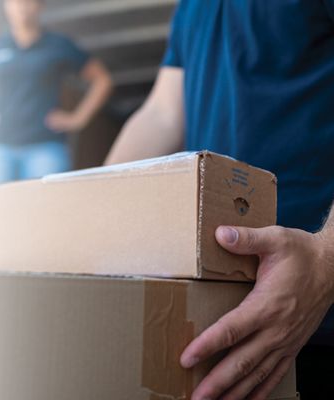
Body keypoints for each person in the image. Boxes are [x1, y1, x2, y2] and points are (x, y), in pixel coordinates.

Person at [105, 1, 334, 398]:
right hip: (220, 300)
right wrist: (87, 206)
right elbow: (162, 113)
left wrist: (323, 263)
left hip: (312, 309)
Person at [0, 0, 112, 186]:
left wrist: (78, 119)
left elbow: (101, 79)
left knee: (47, 202)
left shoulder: (58, 44)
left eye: (28, 2)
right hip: (0, 148)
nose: (21, 7)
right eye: (15, 2)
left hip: (45, 147)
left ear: (40, 6)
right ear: (6, 6)